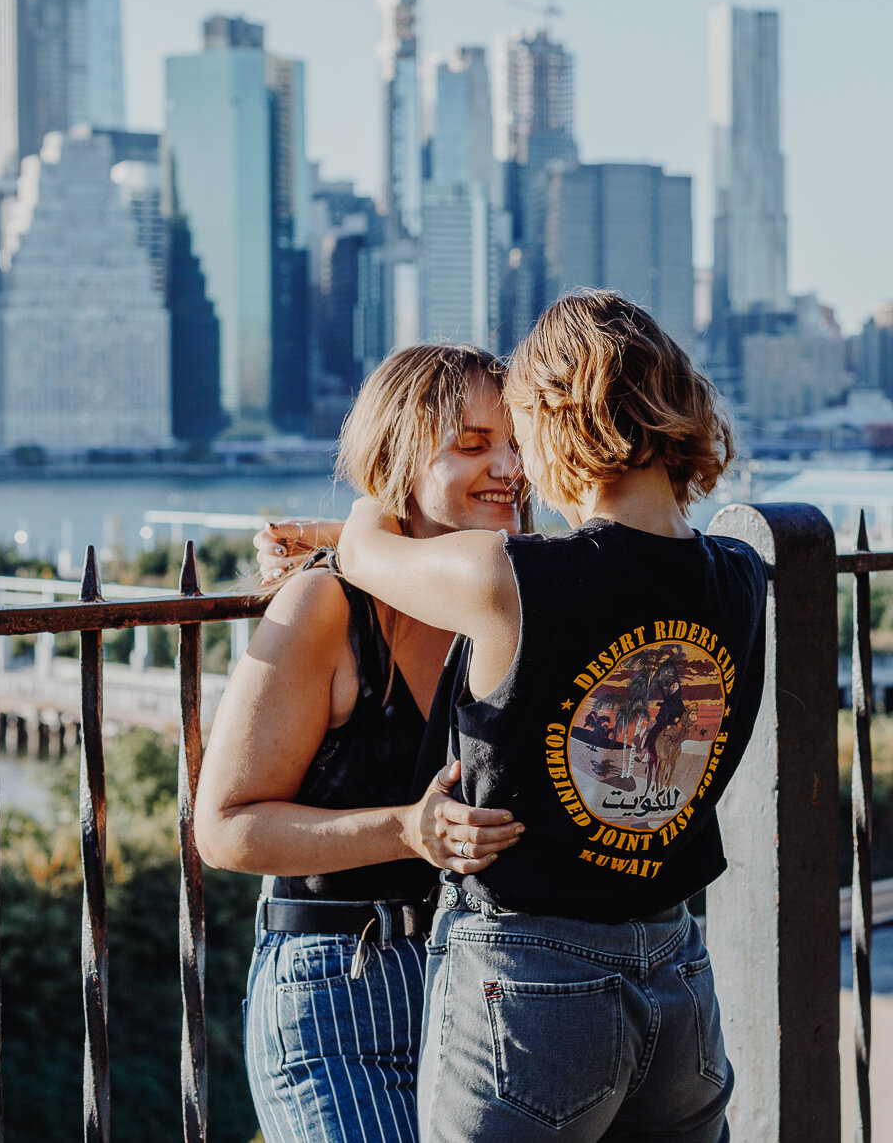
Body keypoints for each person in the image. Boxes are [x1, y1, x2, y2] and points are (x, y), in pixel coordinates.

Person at [330, 290, 766, 1143]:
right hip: (676, 974)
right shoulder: (744, 575)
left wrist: (367, 499)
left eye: (523, 431)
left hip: (529, 986)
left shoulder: (511, 581)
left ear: (561, 426)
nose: (519, 464)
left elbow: (361, 549)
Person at [197, 344, 529, 1143]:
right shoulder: (324, 608)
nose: (510, 468)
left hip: (476, 989)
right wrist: (407, 830)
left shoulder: (503, 597)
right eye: (475, 444)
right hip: (333, 991)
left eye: (516, 443)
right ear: (401, 459)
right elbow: (224, 825)